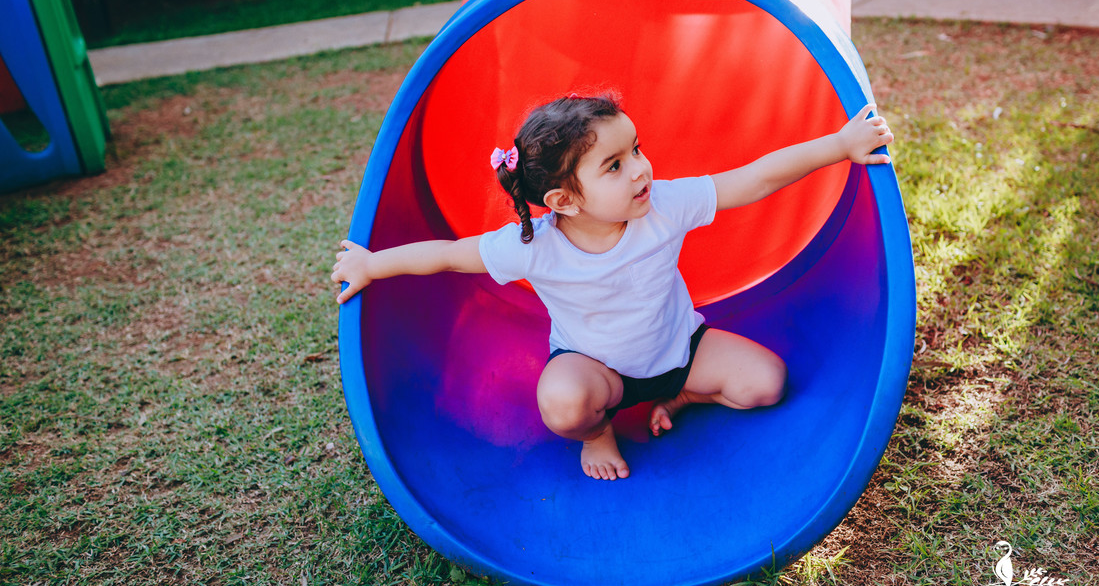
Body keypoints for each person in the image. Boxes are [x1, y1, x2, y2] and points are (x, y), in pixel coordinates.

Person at [332, 94, 893, 481]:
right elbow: (449, 257)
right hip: (598, 368)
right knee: (562, 401)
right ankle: (598, 435)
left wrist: (839, 145)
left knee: (767, 384)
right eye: (615, 165)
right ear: (564, 201)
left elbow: (754, 179)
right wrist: (372, 265)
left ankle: (681, 394)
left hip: (681, 351)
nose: (641, 170)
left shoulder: (664, 206)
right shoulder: (535, 245)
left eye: (637, 150)